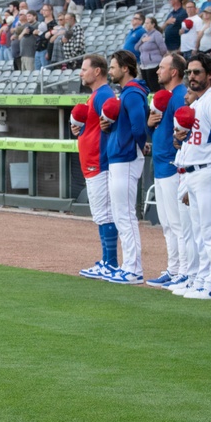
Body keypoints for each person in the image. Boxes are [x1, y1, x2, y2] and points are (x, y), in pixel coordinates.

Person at [175, 53, 211, 300]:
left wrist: (209, 159)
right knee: (200, 231)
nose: (192, 76)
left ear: (209, 74)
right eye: (189, 72)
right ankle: (202, 279)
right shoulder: (198, 102)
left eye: (197, 72)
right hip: (196, 171)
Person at [99, 50, 149, 284]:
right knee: (121, 215)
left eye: (112, 67)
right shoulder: (126, 93)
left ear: (125, 68)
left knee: (126, 215)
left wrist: (138, 147)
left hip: (127, 157)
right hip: (121, 157)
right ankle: (130, 266)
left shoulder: (132, 93)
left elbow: (140, 128)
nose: (110, 71)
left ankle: (134, 269)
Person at [146, 52, 192, 288]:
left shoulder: (180, 95)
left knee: (178, 223)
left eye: (162, 67)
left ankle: (185, 271)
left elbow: (185, 133)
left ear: (174, 71)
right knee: (167, 223)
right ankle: (174, 269)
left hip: (174, 166)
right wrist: (150, 124)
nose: (157, 71)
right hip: (161, 164)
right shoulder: (167, 97)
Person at [74, 54, 119, 279]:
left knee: (104, 214)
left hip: (99, 162)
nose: (81, 73)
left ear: (97, 71)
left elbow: (111, 127)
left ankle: (111, 262)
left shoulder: (103, 95)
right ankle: (106, 260)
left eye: (84, 69)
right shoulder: (96, 95)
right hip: (92, 162)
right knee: (101, 214)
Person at [136, 17, 167, 91]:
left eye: (147, 23)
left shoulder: (157, 34)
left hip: (153, 64)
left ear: (153, 24)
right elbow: (136, 47)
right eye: (145, 23)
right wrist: (142, 41)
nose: (145, 25)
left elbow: (163, 48)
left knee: (153, 84)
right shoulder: (144, 35)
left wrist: (159, 59)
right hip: (144, 65)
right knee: (147, 85)